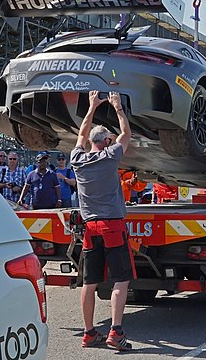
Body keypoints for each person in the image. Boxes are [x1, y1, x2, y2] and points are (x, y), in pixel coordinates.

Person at [70, 91, 134, 351]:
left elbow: (81, 135)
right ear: (107, 141)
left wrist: (91, 107)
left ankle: (88, 333)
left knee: (89, 281)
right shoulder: (110, 157)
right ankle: (116, 332)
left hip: (90, 228)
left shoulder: (77, 160)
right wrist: (118, 108)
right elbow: (126, 135)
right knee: (121, 279)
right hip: (112, 226)